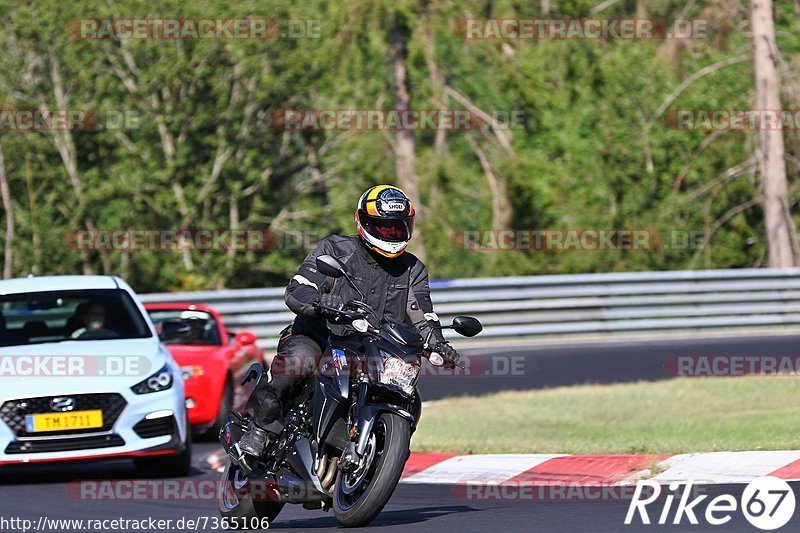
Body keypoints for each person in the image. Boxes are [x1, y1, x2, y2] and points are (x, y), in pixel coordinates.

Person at [240, 185, 460, 455]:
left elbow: (422, 314)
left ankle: (376, 451)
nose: (390, 233)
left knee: (408, 395)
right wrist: (321, 301)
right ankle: (261, 430)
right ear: (363, 222)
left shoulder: (413, 269)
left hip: (371, 349)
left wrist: (438, 344)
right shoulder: (334, 248)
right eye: (382, 227)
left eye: (396, 227)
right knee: (298, 362)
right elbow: (297, 289)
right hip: (320, 336)